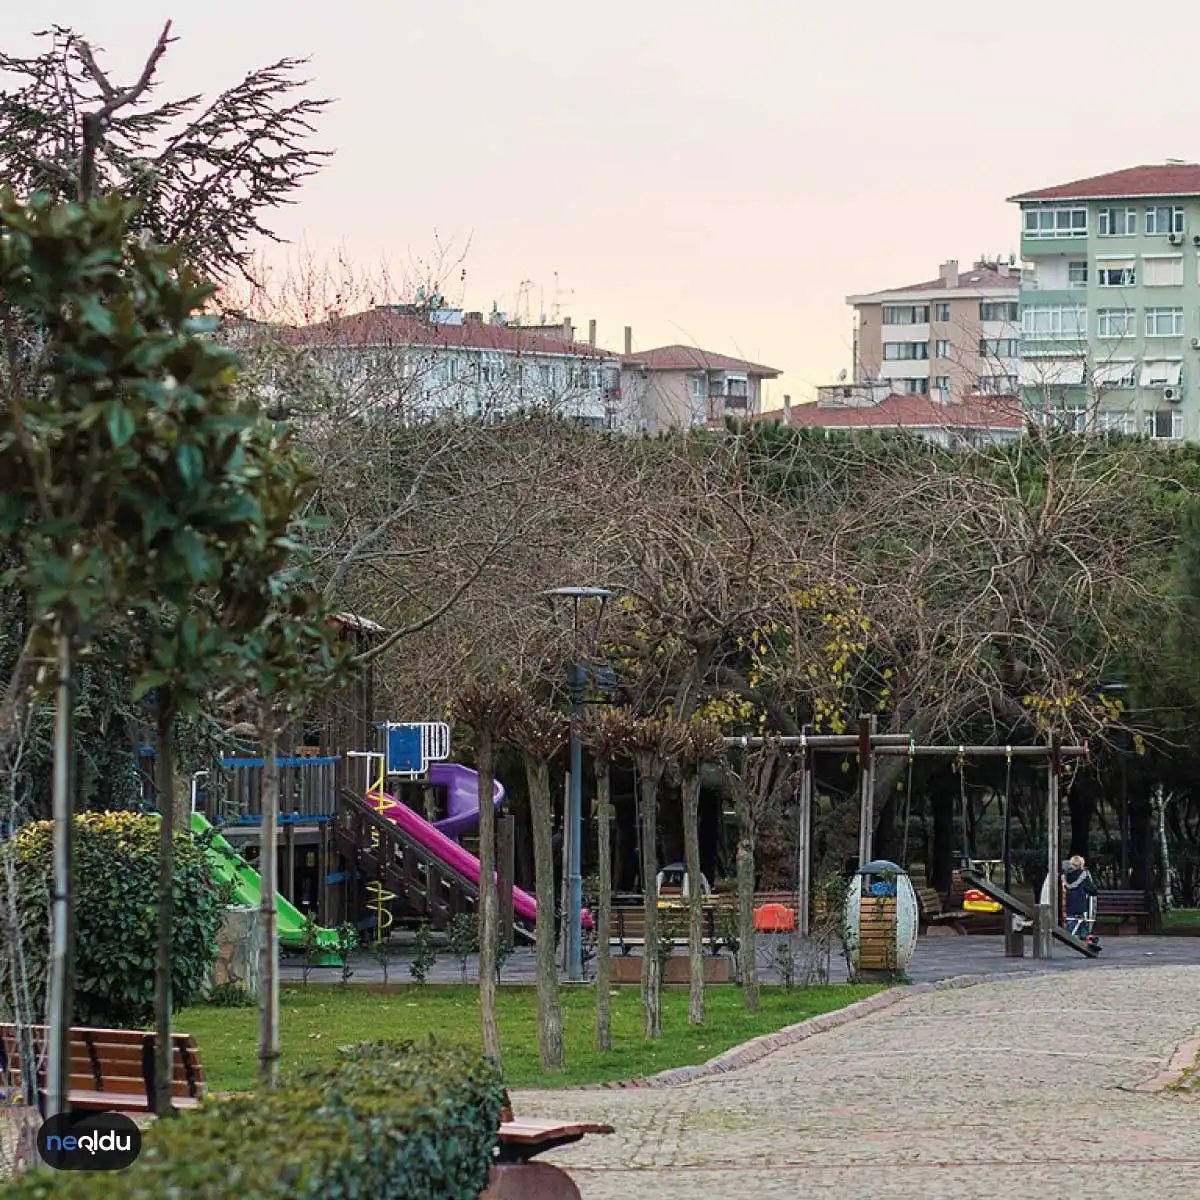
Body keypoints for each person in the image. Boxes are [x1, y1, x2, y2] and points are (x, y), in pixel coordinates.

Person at [1062, 854, 1099, 946]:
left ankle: (1069, 937)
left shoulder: (1065, 876)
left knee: (1070, 920)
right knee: (1082, 921)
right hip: (1080, 904)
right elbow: (1093, 890)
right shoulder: (1083, 876)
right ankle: (1084, 937)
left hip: (1069, 904)